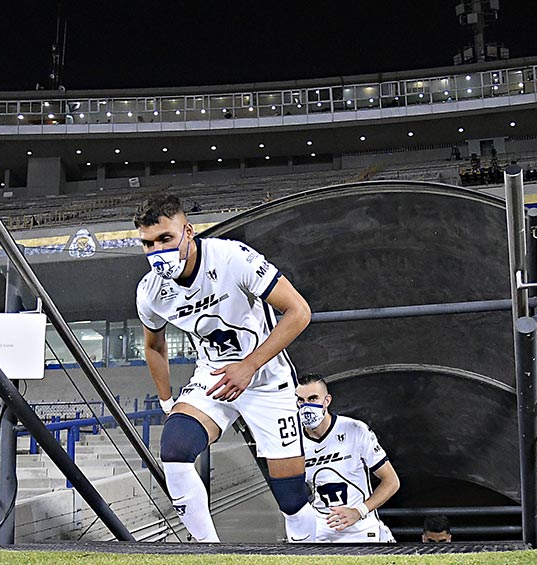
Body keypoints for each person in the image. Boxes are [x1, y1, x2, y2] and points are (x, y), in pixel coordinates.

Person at [134, 191, 316, 543]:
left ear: (188, 232)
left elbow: (299, 312)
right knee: (174, 448)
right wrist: (167, 401)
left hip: (265, 379)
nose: (158, 252)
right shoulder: (150, 291)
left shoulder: (232, 257)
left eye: (165, 239)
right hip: (213, 377)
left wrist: (249, 366)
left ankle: (306, 552)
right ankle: (208, 552)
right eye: (148, 244)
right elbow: (154, 345)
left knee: (291, 499)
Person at [296, 374, 400, 543]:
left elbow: (391, 481)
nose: (306, 405)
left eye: (313, 398)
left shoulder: (355, 430)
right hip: (320, 531)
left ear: (327, 400)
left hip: (362, 528)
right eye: (301, 400)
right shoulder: (293, 442)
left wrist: (359, 511)